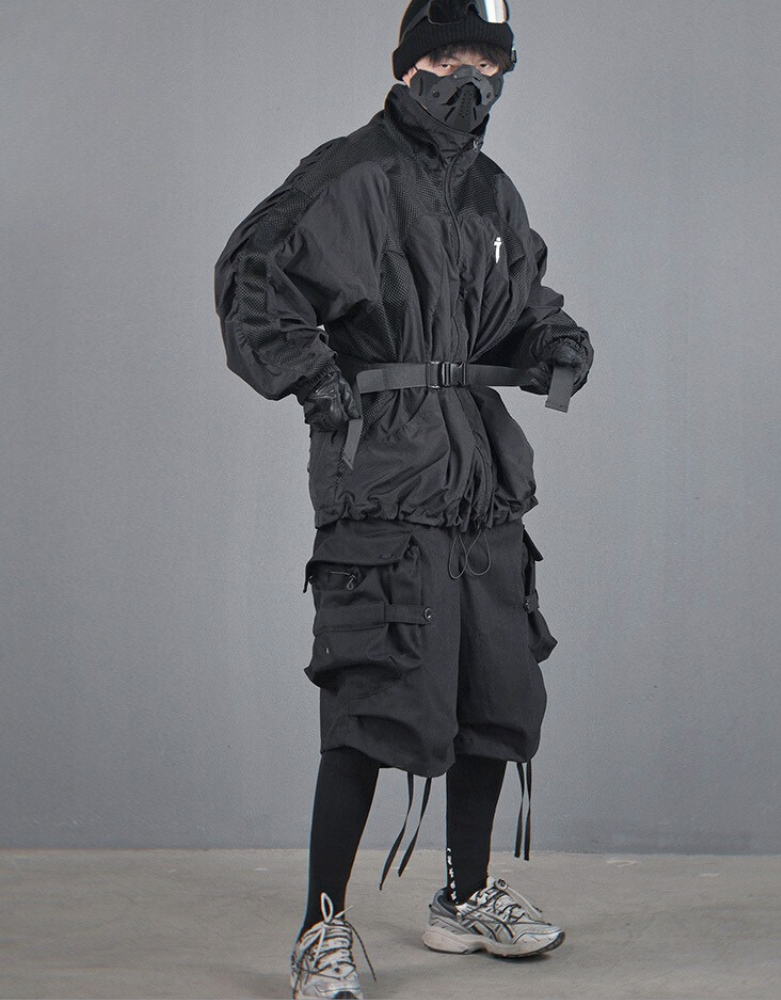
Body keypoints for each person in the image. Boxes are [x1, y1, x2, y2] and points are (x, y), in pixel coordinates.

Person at [214, 2, 594, 997]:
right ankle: (321, 927)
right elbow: (253, 276)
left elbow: (518, 308)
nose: (469, 81)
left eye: (488, 64)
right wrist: (315, 378)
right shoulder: (350, 174)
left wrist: (551, 341)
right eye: (450, 58)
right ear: (410, 64)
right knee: (374, 696)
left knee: (492, 692)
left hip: (481, 477)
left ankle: (462, 896)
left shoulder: (492, 193)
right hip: (383, 478)